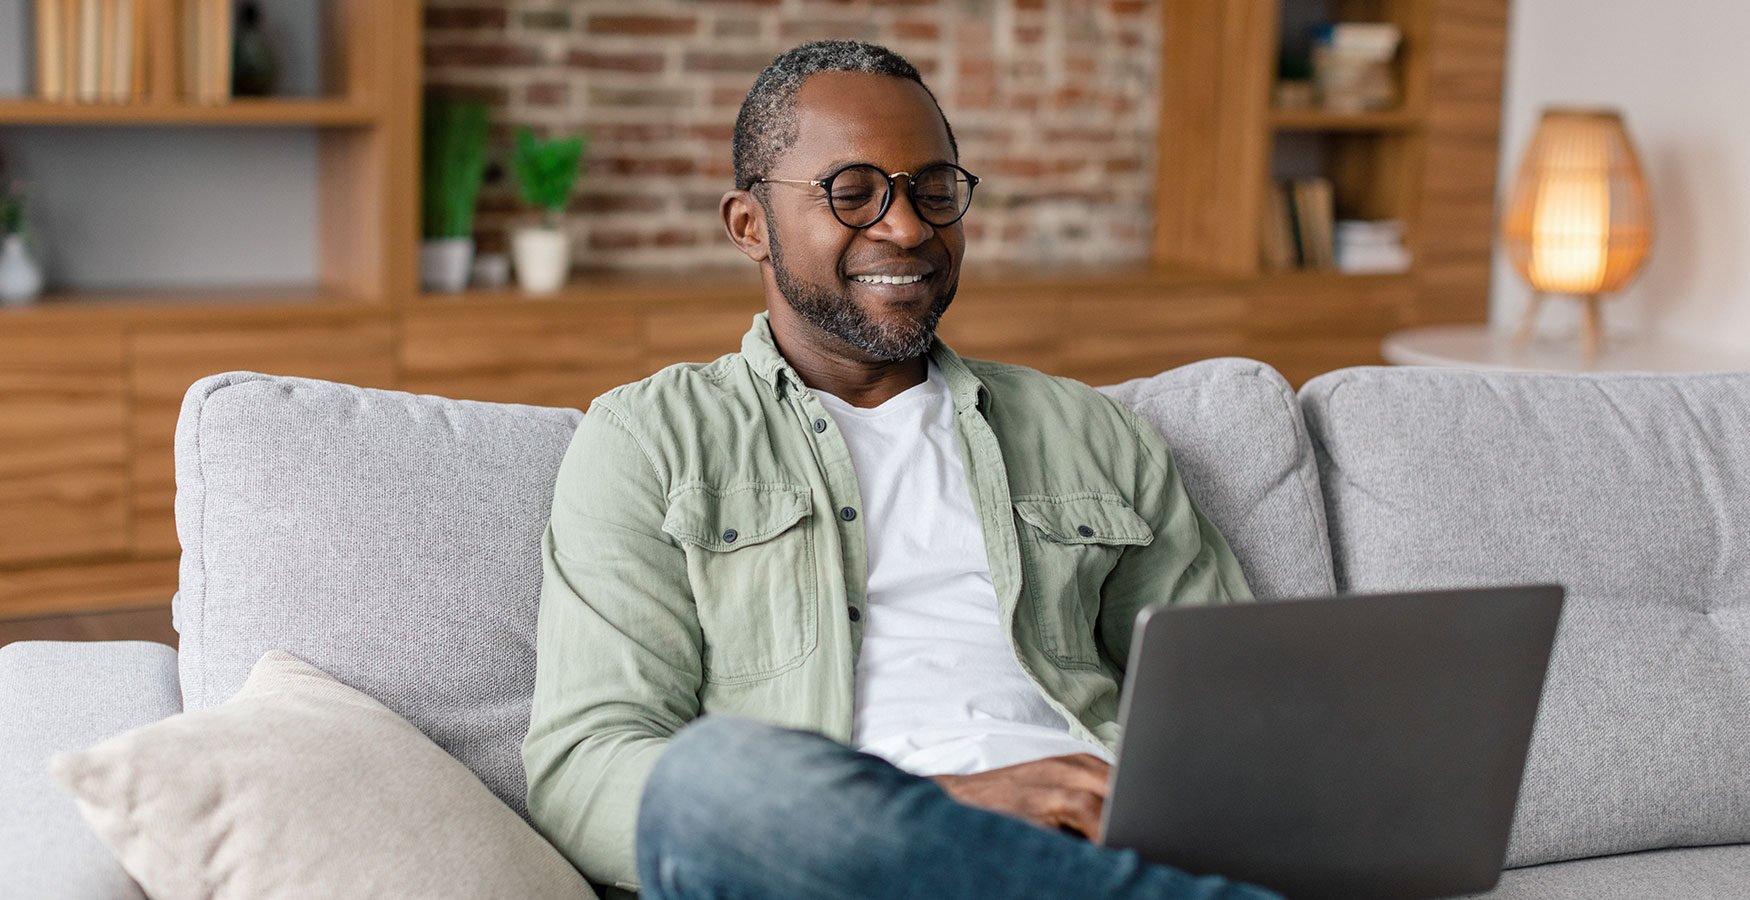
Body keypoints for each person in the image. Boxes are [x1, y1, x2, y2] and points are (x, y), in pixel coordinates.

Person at [523, 40, 1278, 900]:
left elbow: (1239, 709)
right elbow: (586, 766)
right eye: (853, 193)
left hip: (1093, 849)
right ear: (749, 225)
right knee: (707, 782)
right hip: (835, 863)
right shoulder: (652, 438)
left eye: (934, 189)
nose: (909, 226)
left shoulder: (1091, 433)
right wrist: (937, 809)